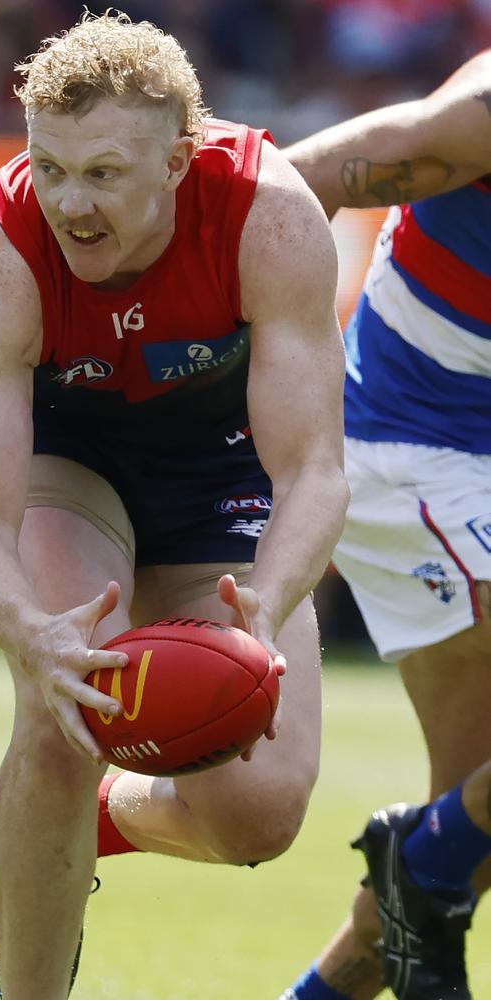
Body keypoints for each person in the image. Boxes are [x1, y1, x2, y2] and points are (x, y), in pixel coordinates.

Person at [0, 10, 348, 1000]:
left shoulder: (269, 214)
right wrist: (31, 636)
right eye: (51, 167)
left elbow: (315, 472)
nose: (69, 202)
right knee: (63, 703)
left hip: (222, 469)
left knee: (260, 817)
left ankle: (99, 814)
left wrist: (270, 602)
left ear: (177, 162)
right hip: (65, 462)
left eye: (103, 174)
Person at [278, 49, 491, 1000]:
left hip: (463, 456)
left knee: (468, 836)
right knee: (455, 849)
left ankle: (427, 866)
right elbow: (298, 185)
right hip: (413, 452)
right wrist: (272, 375)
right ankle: (429, 862)